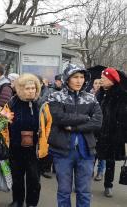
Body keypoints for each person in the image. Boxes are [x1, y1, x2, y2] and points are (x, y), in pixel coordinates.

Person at [47, 64, 102, 207]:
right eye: (75, 77)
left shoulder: (91, 98)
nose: (79, 81)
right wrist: (85, 118)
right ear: (67, 78)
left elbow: (97, 122)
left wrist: (74, 127)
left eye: (82, 77)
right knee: (64, 191)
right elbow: (59, 118)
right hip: (62, 151)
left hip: (86, 151)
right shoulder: (55, 96)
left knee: (84, 191)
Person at [5, 74, 43, 207]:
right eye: (27, 88)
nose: (31, 91)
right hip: (16, 147)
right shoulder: (12, 103)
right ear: (20, 89)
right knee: (17, 177)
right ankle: (17, 201)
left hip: (35, 149)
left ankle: (32, 203)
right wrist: (4, 120)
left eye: (33, 88)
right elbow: (1, 122)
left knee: (34, 179)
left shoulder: (41, 104)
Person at [96, 67, 127, 197]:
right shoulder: (99, 93)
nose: (101, 80)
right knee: (90, 157)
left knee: (110, 160)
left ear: (112, 80)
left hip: (112, 134)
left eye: (104, 78)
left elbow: (124, 117)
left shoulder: (121, 95)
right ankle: (84, 182)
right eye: (102, 77)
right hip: (96, 132)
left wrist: (120, 135)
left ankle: (108, 185)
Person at [90, 78, 106, 181]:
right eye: (96, 83)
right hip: (92, 128)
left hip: (103, 127)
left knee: (102, 153)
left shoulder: (104, 96)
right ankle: (90, 170)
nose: (98, 85)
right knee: (91, 151)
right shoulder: (89, 96)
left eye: (100, 83)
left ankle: (100, 172)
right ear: (93, 85)